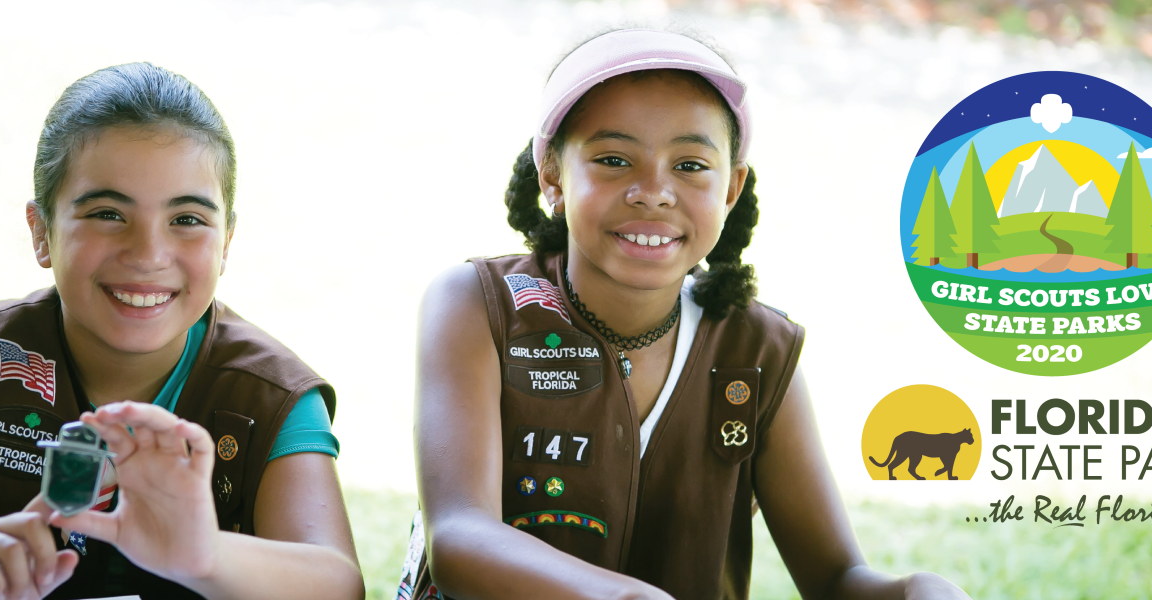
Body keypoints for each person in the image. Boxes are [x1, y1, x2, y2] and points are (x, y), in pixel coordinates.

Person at [402, 29, 970, 599]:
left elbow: (838, 578)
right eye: (613, 159)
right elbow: (460, 536)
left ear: (732, 188)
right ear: (552, 173)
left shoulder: (757, 352)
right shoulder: (480, 306)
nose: (653, 192)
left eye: (691, 165)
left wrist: (916, 591)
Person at [0, 62, 364, 600]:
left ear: (227, 240)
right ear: (41, 231)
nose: (148, 255)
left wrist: (205, 554)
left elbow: (338, 583)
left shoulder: (270, 396)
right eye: (107, 213)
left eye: (187, 219)